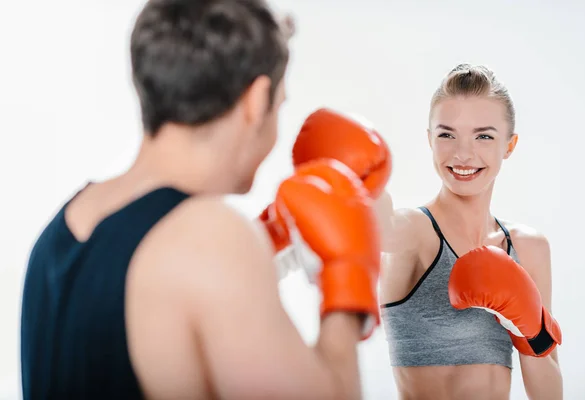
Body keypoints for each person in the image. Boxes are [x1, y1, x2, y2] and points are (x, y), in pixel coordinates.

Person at [19, 1, 391, 399]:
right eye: (279, 104)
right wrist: (347, 269)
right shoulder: (210, 236)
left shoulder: (64, 229)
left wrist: (271, 239)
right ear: (256, 100)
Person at [378, 64, 563, 400]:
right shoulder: (412, 230)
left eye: (484, 136)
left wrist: (530, 329)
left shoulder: (529, 247)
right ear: (429, 140)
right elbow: (370, 229)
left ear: (509, 145)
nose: (463, 154)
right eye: (447, 134)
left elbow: (549, 394)